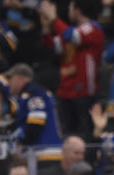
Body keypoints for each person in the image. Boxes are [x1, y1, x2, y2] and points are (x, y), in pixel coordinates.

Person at [38, 0, 104, 138]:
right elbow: (53, 47)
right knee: (67, 134)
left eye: (71, 7)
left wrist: (54, 19)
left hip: (85, 92)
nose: (69, 10)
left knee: (86, 134)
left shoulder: (93, 29)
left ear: (77, 10)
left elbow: (74, 37)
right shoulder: (70, 31)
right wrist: (46, 28)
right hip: (65, 90)